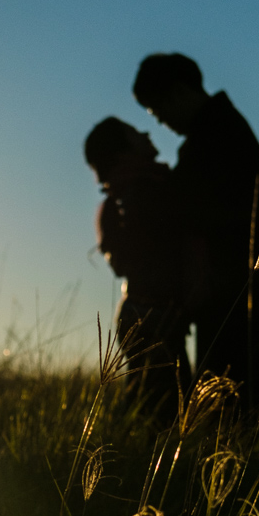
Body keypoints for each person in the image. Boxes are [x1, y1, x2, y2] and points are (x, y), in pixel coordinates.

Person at [132, 53, 259, 409]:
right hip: (239, 292)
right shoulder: (220, 130)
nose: (162, 122)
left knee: (231, 414)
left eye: (158, 110)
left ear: (178, 92)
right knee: (231, 410)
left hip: (236, 294)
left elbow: (190, 212)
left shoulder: (215, 136)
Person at [84, 116, 194, 411]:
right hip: (152, 311)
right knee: (161, 407)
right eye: (135, 132)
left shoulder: (125, 193)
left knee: (151, 399)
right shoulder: (144, 191)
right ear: (124, 153)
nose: (145, 131)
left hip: (142, 309)